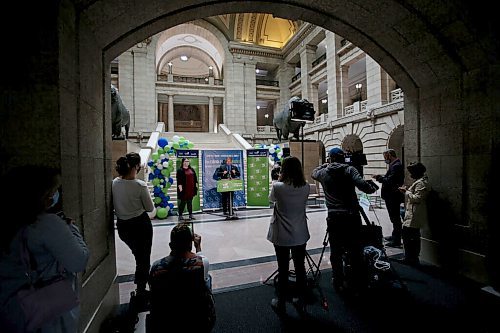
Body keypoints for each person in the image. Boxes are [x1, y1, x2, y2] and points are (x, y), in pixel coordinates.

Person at [0, 166, 90, 333]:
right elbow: (79, 260)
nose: (55, 196)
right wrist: (71, 228)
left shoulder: (8, 223)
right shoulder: (47, 224)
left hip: (12, 308)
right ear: (39, 195)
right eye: (53, 191)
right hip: (46, 311)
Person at [312, 147, 378, 293]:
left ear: (330, 158)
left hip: (334, 216)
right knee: (355, 248)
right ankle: (357, 279)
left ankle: (338, 279)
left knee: (335, 250)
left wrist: (325, 164)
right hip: (351, 215)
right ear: (343, 158)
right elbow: (363, 186)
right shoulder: (350, 169)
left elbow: (313, 173)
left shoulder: (322, 172)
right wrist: (372, 188)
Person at [148, 223, 215, 332]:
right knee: (208, 278)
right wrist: (198, 246)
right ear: (190, 245)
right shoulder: (200, 264)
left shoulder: (157, 267)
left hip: (165, 321)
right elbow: (202, 259)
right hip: (195, 320)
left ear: (170, 245)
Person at [267, 156, 310, 316]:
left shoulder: (278, 187)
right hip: (300, 232)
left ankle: (280, 301)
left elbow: (271, 200)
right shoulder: (305, 186)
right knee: (300, 267)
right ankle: (301, 299)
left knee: (283, 268)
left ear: (283, 169)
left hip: (281, 234)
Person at [112, 152, 155, 302]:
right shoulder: (139, 185)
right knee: (143, 258)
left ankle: (142, 285)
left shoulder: (115, 183)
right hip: (140, 225)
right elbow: (150, 208)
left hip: (123, 227)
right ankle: (142, 289)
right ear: (137, 166)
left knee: (139, 257)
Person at [398, 162, 431, 266]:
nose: (410, 174)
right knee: (409, 237)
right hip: (412, 213)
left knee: (411, 237)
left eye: (412, 172)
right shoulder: (419, 181)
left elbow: (418, 198)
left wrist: (406, 191)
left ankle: (412, 258)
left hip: (415, 214)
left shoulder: (421, 183)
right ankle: (410, 257)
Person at [372, 149, 404, 247]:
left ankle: (396, 240)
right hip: (391, 195)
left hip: (393, 196)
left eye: (385, 157)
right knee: (394, 218)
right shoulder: (394, 165)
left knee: (395, 218)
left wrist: (378, 178)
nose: (385, 159)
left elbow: (390, 181)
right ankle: (395, 236)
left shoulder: (396, 166)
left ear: (389, 155)